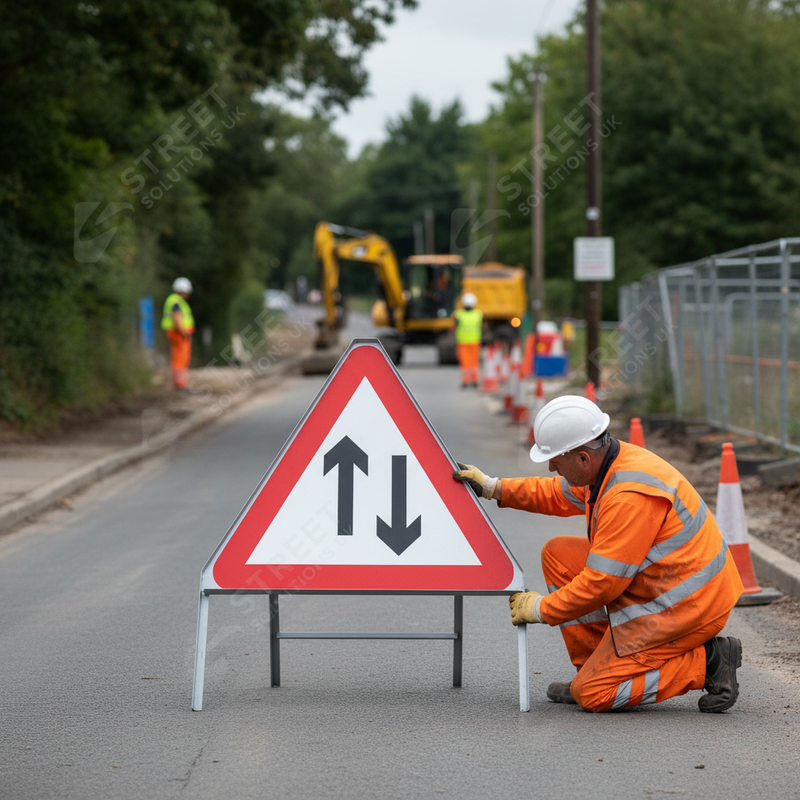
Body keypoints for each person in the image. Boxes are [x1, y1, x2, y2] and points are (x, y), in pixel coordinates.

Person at [453, 395, 745, 713]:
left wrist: (540, 609)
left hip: (686, 609)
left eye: (556, 461)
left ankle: (709, 661)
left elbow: (602, 584)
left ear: (582, 459)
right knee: (559, 554)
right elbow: (556, 493)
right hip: (666, 585)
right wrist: (494, 488)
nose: (551, 467)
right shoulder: (608, 464)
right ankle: (596, 667)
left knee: (594, 695)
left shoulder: (628, 495)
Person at [161, 277, 195, 390]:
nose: (188, 293)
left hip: (176, 333)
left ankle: (177, 382)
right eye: (187, 291)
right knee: (181, 357)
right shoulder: (177, 301)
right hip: (179, 334)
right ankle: (180, 384)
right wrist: (184, 331)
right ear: (182, 290)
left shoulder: (173, 299)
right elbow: (176, 316)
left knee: (177, 357)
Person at [452, 292, 483, 388]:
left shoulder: (458, 314)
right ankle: (474, 380)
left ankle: (465, 381)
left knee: (465, 362)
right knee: (474, 361)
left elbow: (454, 326)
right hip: (475, 341)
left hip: (462, 342)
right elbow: (482, 326)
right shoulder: (478, 314)